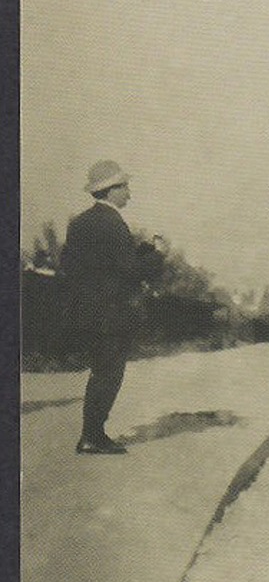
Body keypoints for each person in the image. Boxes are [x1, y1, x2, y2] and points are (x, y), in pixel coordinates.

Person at [59, 160, 167, 454]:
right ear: (111, 190)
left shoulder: (80, 223)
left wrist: (140, 250)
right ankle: (92, 436)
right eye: (125, 187)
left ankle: (91, 434)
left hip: (86, 311)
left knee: (99, 371)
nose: (129, 193)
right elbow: (131, 270)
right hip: (112, 314)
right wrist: (158, 254)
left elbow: (78, 264)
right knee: (109, 373)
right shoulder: (114, 223)